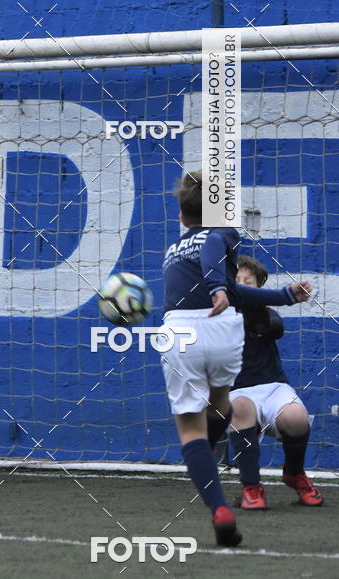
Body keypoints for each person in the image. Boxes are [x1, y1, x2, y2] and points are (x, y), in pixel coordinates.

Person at [161, 170, 245, 547]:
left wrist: (216, 287)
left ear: (182, 217)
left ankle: (219, 509)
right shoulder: (223, 233)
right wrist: (284, 296)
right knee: (221, 404)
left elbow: (208, 249)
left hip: (180, 329)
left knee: (190, 429)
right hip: (221, 325)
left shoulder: (172, 251)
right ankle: (210, 448)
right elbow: (213, 248)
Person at [229, 254, 323, 510]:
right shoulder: (213, 316)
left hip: (273, 388)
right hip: (237, 393)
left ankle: (294, 473)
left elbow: (275, 326)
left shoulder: (264, 314)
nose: (241, 285)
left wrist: (255, 317)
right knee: (240, 408)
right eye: (235, 280)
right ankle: (252, 486)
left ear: (258, 289)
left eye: (248, 281)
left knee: (296, 416)